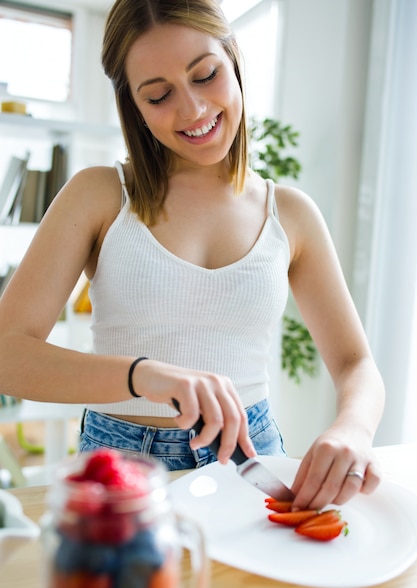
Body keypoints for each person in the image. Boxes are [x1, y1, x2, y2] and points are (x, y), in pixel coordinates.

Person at [0, 0, 384, 511]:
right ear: (133, 105)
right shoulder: (101, 194)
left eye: (205, 75)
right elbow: (8, 353)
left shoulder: (289, 212)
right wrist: (146, 375)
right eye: (158, 96)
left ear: (232, 59)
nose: (193, 110)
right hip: (124, 463)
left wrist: (353, 429)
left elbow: (356, 362)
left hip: (253, 457)